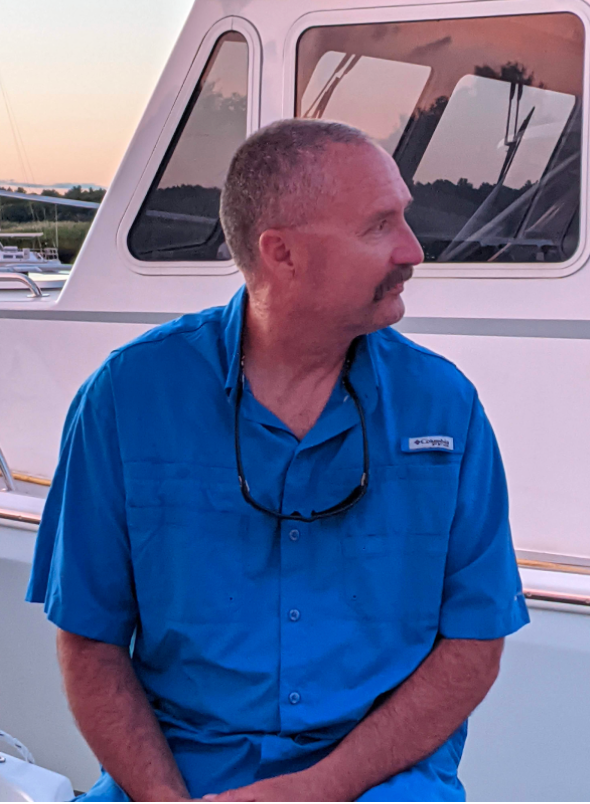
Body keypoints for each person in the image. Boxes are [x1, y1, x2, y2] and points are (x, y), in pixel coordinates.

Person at [27, 119, 529, 802]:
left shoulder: (444, 409)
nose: (412, 250)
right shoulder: (125, 401)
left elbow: (474, 644)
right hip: (172, 777)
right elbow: (89, 642)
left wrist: (316, 790)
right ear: (282, 254)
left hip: (377, 782)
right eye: (379, 226)